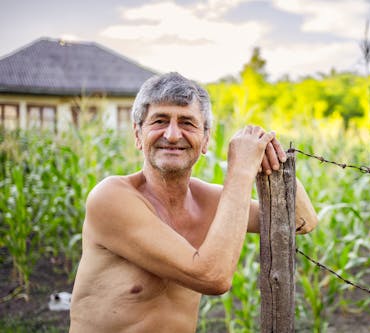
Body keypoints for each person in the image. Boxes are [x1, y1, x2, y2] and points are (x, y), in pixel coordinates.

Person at [69, 72, 318, 332]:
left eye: (187, 122)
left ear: (206, 139)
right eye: (160, 121)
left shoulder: (206, 201)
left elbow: (302, 221)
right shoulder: (111, 198)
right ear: (138, 134)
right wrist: (241, 170)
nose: (173, 135)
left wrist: (272, 158)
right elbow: (213, 278)